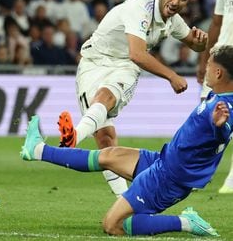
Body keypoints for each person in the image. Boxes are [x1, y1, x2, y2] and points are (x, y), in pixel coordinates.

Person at [21, 44, 233, 237]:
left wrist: (220, 126)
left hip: (170, 177)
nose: (204, 68)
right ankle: (37, 150)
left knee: (113, 225)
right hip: (165, 160)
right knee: (107, 155)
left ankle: (185, 222)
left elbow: (222, 133)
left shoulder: (225, 109)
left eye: (208, 65)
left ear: (218, 72)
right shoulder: (219, 96)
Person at [57, 0, 208, 197]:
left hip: (124, 66)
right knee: (105, 140)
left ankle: (74, 138)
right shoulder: (140, 8)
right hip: (92, 62)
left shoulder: (173, 21)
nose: (176, 2)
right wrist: (171, 76)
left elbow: (192, 43)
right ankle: (123, 201)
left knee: (106, 97)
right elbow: (138, 53)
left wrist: (200, 43)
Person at [197, 0, 233, 194]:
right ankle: (195, 174)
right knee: (204, 113)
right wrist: (204, 60)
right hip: (220, 56)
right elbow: (217, 23)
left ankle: (231, 180)